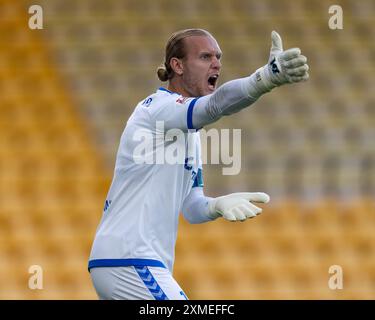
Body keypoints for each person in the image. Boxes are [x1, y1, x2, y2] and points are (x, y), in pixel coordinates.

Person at [88, 28, 309, 300]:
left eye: (218, 56)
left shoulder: (189, 134)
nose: (216, 63)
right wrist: (264, 79)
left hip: (129, 261)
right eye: (205, 57)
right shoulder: (157, 109)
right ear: (177, 65)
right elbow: (215, 106)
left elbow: (191, 208)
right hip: (130, 257)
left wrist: (216, 205)